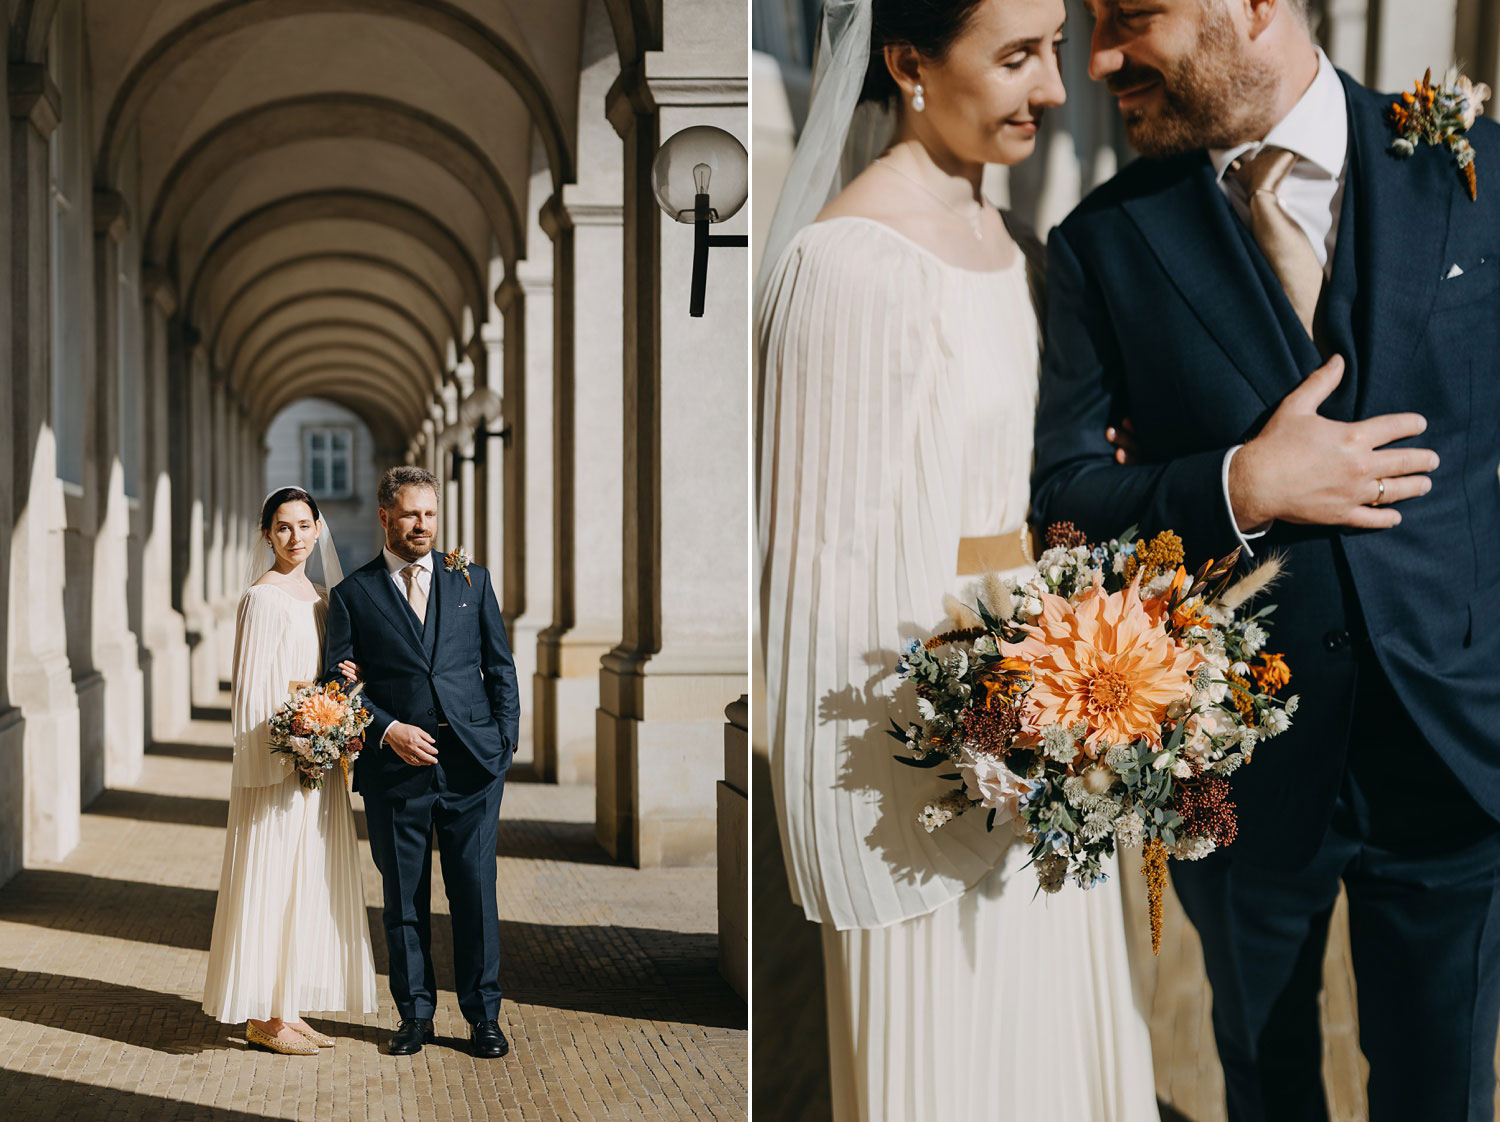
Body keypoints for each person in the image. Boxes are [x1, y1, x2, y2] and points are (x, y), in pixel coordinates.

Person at [1031, 0, 1500, 1118]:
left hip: (1454, 746)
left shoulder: (1472, 166)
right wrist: (1244, 485)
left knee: (1446, 1095)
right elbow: (1062, 504)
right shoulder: (1102, 242)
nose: (1096, 64)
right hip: (1236, 774)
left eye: (1128, 18)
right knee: (1265, 1087)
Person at [756, 1, 1159, 1118]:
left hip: (1059, 736)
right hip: (938, 775)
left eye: (1055, 51)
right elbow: (815, 580)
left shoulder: (1017, 244)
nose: (1055, 89)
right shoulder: (845, 268)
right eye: (1018, 57)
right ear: (909, 65)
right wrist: (975, 749)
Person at [323, 466, 520, 1059]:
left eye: (430, 514)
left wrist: (503, 745)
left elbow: (500, 667)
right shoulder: (353, 595)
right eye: (411, 514)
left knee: (474, 895)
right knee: (404, 899)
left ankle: (483, 1017)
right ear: (385, 516)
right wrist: (387, 730)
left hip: (472, 767)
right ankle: (415, 1015)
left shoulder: (472, 581)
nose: (423, 525)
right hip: (394, 773)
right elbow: (338, 686)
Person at [202, 486, 378, 1054]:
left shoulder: (323, 597)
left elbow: (325, 677)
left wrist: (343, 685)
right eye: (283, 527)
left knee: (306, 883)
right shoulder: (262, 598)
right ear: (267, 534)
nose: (295, 537)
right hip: (280, 765)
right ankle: (265, 1016)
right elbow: (251, 694)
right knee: (273, 878)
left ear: (318, 528)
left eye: (304, 526)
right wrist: (287, 754)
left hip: (318, 762)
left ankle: (289, 1007)